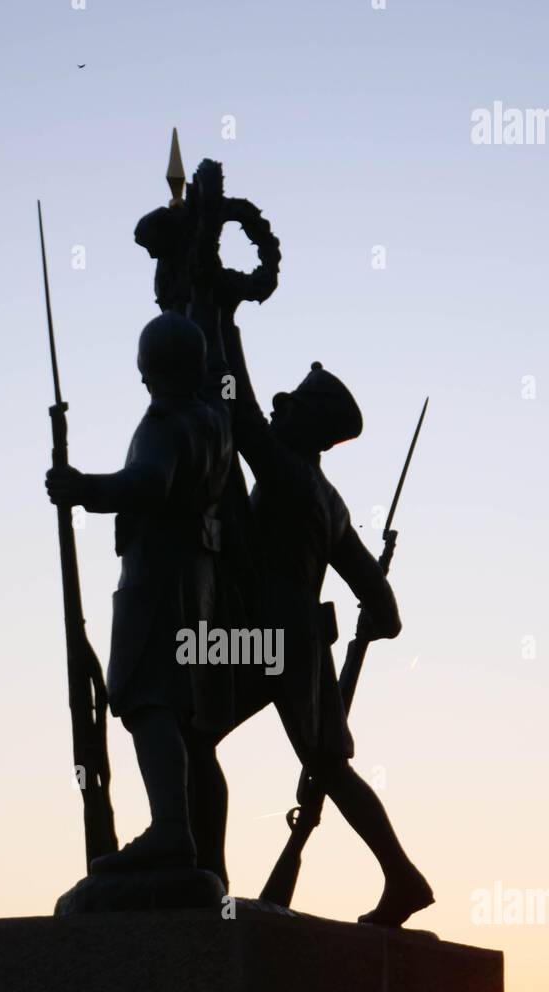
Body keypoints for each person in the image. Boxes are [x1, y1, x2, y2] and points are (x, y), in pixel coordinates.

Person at [222, 312, 434, 926]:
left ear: (307, 424)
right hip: (302, 642)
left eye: (291, 405)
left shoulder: (286, 471)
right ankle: (403, 876)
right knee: (329, 765)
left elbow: (240, 411)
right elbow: (384, 605)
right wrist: (371, 629)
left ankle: (197, 870)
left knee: (186, 734)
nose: (278, 407)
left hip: (262, 640)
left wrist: (228, 324)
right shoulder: (330, 502)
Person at [45, 310, 234, 886]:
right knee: (168, 704)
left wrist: (84, 490)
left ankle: (171, 827)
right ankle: (174, 825)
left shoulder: (162, 423)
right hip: (196, 581)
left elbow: (150, 482)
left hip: (155, 577)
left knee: (144, 698)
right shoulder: (215, 420)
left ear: (144, 369)